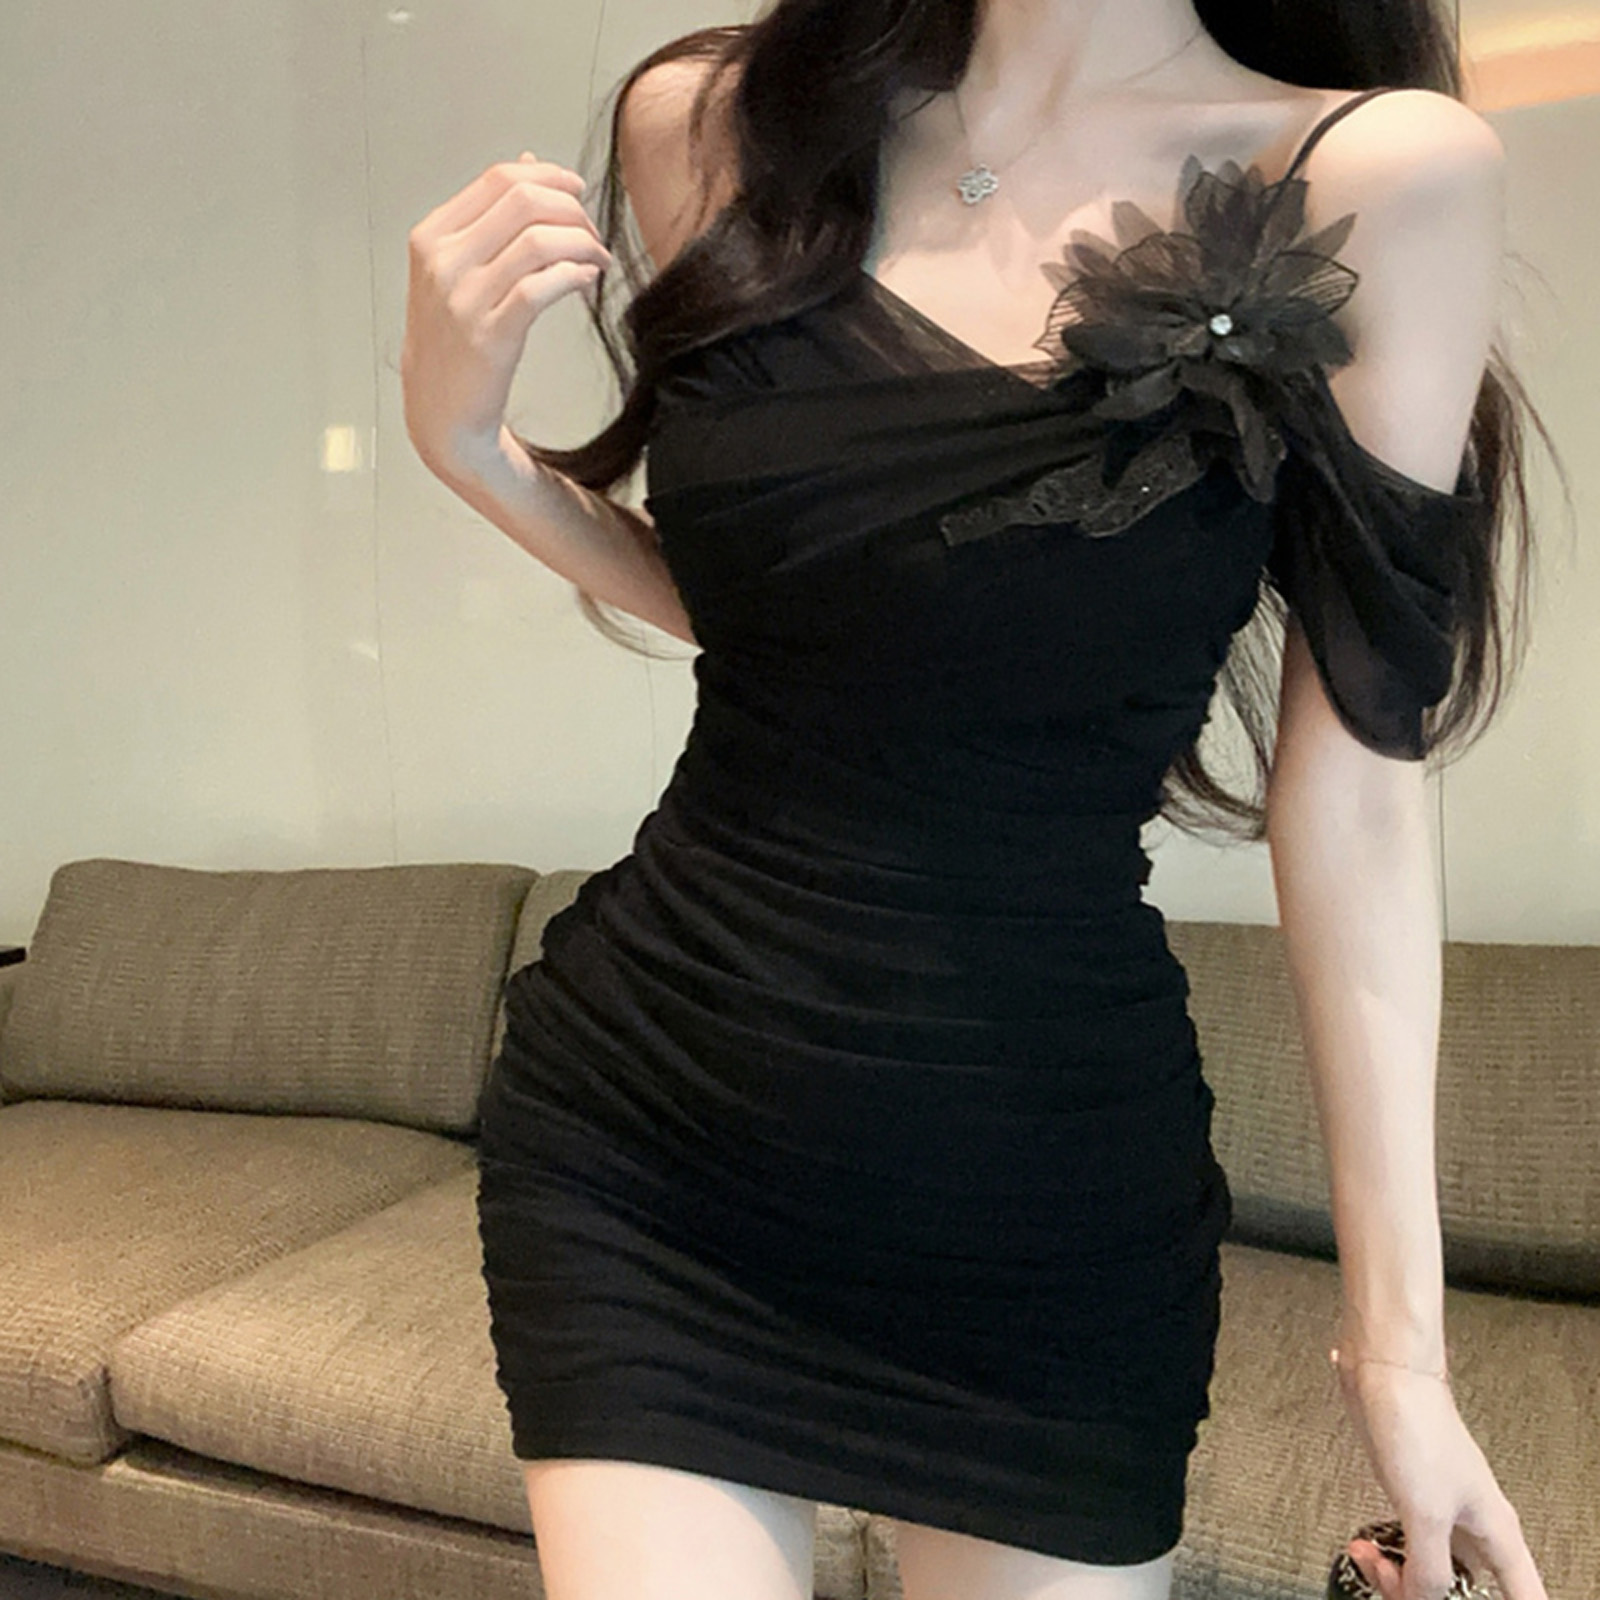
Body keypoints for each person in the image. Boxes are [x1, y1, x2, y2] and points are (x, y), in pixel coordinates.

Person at [401, 2, 1556, 1597]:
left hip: (1040, 1208)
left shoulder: (1374, 171)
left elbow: (1356, 787)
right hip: (649, 1136)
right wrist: (465, 445)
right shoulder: (718, 121)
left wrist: (1402, 1349)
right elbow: (794, 623)